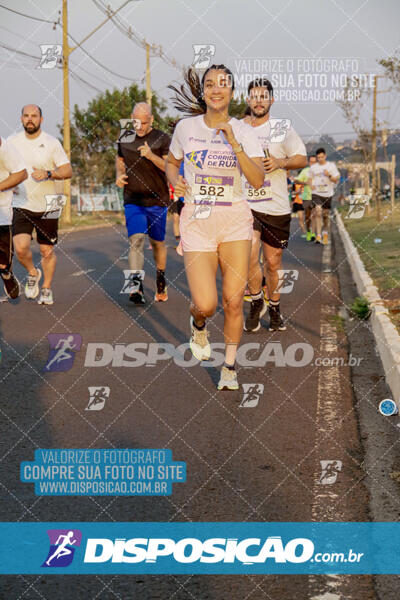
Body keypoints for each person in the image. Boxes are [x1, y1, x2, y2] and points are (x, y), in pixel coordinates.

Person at [166, 65, 264, 390]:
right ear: (204, 92)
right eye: (210, 84)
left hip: (235, 220)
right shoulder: (186, 128)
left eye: (223, 84)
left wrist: (234, 142)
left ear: (232, 92)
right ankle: (198, 323)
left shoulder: (245, 131)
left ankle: (230, 367)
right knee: (207, 303)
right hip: (198, 221)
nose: (216, 89)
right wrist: (174, 180)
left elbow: (257, 179)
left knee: (234, 300)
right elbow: (171, 161)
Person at [242, 78, 307, 333]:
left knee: (273, 261)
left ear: (271, 100)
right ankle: (256, 301)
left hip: (276, 205)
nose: (258, 101)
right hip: (246, 203)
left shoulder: (281, 128)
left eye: (263, 96)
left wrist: (281, 163)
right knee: (249, 255)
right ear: (248, 100)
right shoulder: (240, 128)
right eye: (254, 96)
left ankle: (275, 307)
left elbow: (302, 158)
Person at [9, 105, 72, 305]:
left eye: (34, 116)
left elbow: (67, 170)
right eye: (26, 116)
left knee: (47, 251)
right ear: (21, 119)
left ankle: (46, 288)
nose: (30, 119)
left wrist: (49, 174)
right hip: (21, 203)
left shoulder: (52, 143)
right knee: (20, 248)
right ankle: (32, 272)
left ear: (41, 120)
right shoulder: (12, 142)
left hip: (49, 203)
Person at [116, 102, 171, 304]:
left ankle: (160, 276)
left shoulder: (162, 138)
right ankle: (135, 287)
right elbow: (120, 159)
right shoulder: (125, 136)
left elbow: (169, 167)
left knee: (157, 243)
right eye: (136, 122)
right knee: (136, 240)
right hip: (133, 200)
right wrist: (119, 174)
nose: (139, 127)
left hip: (157, 200)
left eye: (144, 123)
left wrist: (150, 155)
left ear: (152, 120)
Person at [0, 136, 27, 299]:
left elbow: (22, 174)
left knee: (2, 261)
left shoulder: (4, 148)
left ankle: (6, 273)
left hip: (1, 212)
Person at [309, 147, 340, 245]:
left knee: (325, 215)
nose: (320, 159)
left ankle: (325, 233)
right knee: (318, 211)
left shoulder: (331, 166)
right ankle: (318, 235)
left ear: (325, 156)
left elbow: (336, 180)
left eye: (322, 157)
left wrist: (329, 175)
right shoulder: (313, 167)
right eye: (318, 157)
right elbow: (309, 178)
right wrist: (311, 185)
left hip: (328, 193)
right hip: (316, 193)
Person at [295, 154, 317, 241]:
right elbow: (296, 180)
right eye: (311, 162)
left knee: (315, 215)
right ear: (309, 162)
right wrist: (305, 183)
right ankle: (308, 231)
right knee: (308, 217)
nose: (313, 164)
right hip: (307, 197)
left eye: (315, 162)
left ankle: (314, 234)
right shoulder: (305, 171)